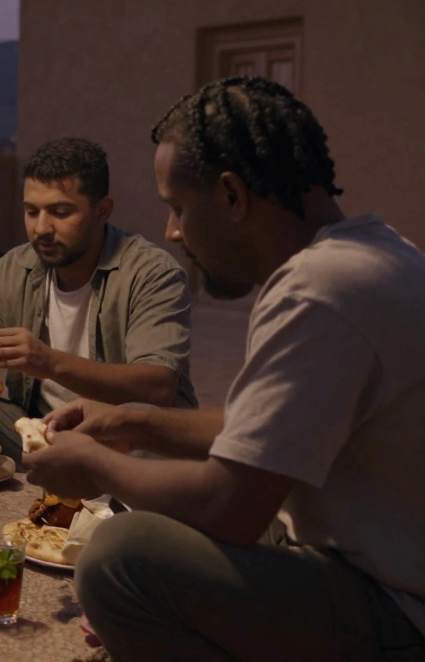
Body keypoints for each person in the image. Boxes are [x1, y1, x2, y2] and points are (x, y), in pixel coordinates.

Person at [27, 77, 425, 660]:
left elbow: (231, 508)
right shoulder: (376, 253)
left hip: (395, 608)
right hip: (378, 567)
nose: (172, 231)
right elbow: (260, 430)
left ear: (233, 195)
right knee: (171, 488)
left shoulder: (321, 290)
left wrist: (96, 463)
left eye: (178, 207)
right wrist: (132, 424)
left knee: (122, 556)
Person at [0, 137, 196, 460]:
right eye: (31, 211)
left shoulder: (151, 273)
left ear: (102, 211)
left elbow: (158, 386)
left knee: (151, 448)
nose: (41, 228)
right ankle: (56, 469)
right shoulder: (15, 268)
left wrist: (49, 363)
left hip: (121, 438)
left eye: (60, 212)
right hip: (41, 430)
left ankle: (96, 484)